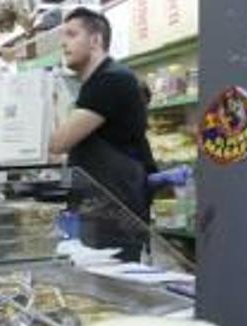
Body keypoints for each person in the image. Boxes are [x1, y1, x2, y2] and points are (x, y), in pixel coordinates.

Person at [49, 7, 157, 260]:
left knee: (113, 290)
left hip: (115, 213)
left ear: (96, 40)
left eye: (72, 34)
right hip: (101, 209)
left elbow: (59, 142)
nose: (64, 44)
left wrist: (47, 101)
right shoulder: (97, 82)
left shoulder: (111, 80)